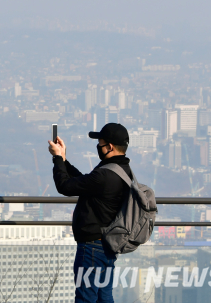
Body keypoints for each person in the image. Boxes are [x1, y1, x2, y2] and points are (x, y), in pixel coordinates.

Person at [48, 123, 132, 303]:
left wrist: (57, 159)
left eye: (100, 144)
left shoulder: (105, 175)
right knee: (104, 297)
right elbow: (85, 183)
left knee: (85, 298)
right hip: (108, 245)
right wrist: (63, 159)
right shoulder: (123, 171)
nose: (98, 148)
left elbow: (65, 186)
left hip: (92, 247)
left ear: (109, 147)